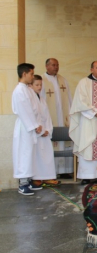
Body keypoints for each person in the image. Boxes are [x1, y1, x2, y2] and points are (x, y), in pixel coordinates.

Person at [12, 63, 44, 195]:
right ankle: (22, 183)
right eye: (31, 74)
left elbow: (36, 108)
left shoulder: (28, 89)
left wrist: (39, 123)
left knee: (30, 154)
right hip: (25, 127)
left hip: (31, 126)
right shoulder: (19, 90)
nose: (32, 76)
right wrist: (34, 125)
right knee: (24, 154)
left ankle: (29, 180)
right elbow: (24, 111)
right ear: (24, 74)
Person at [40, 58, 73, 176]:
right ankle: (52, 172)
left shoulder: (62, 79)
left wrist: (71, 115)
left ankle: (66, 171)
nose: (56, 67)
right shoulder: (42, 81)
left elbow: (69, 98)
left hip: (63, 118)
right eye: (53, 65)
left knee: (66, 143)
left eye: (57, 65)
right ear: (46, 66)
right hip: (51, 118)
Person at [31, 75, 60, 187]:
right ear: (31, 85)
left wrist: (48, 129)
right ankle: (37, 178)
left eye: (40, 85)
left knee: (47, 155)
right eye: (36, 85)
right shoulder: (30, 100)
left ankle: (47, 176)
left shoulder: (42, 99)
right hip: (37, 133)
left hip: (45, 132)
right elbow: (32, 117)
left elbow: (47, 116)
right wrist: (41, 131)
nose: (39, 87)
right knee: (37, 156)